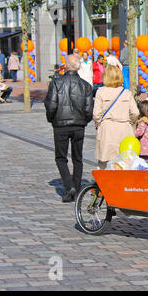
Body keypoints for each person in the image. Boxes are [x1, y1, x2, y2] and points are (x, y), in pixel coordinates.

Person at [44, 54, 94, 202]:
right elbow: (88, 109)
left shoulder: (56, 83)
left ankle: (68, 186)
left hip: (61, 125)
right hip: (78, 125)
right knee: (77, 158)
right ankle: (76, 188)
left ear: (66, 66)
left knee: (61, 157)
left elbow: (51, 105)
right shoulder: (85, 86)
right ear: (78, 66)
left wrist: (52, 119)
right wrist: (84, 121)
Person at [93, 65, 139, 170]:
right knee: (125, 161)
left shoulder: (100, 91)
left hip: (107, 128)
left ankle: (103, 184)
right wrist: (130, 122)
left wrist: (99, 123)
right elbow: (135, 112)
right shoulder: (126, 93)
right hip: (124, 128)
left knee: (104, 162)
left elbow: (96, 114)